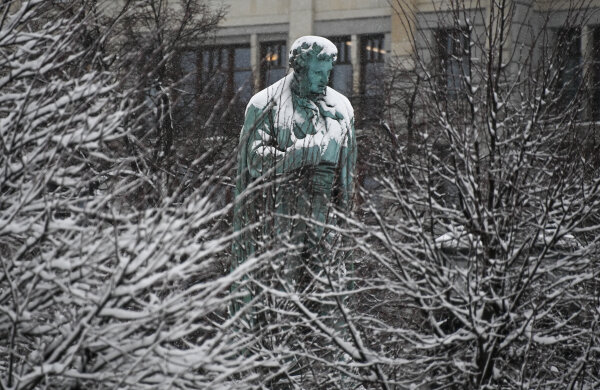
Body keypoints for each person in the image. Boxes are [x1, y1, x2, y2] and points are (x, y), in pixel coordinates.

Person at [231, 35, 356, 313]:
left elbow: (348, 177)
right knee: (280, 295)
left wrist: (346, 221)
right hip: (280, 213)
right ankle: (280, 348)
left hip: (325, 215)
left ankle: (331, 350)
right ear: (299, 69)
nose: (324, 80)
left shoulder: (342, 109)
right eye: (317, 73)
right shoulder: (264, 104)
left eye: (327, 73)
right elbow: (253, 160)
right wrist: (296, 157)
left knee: (330, 298)